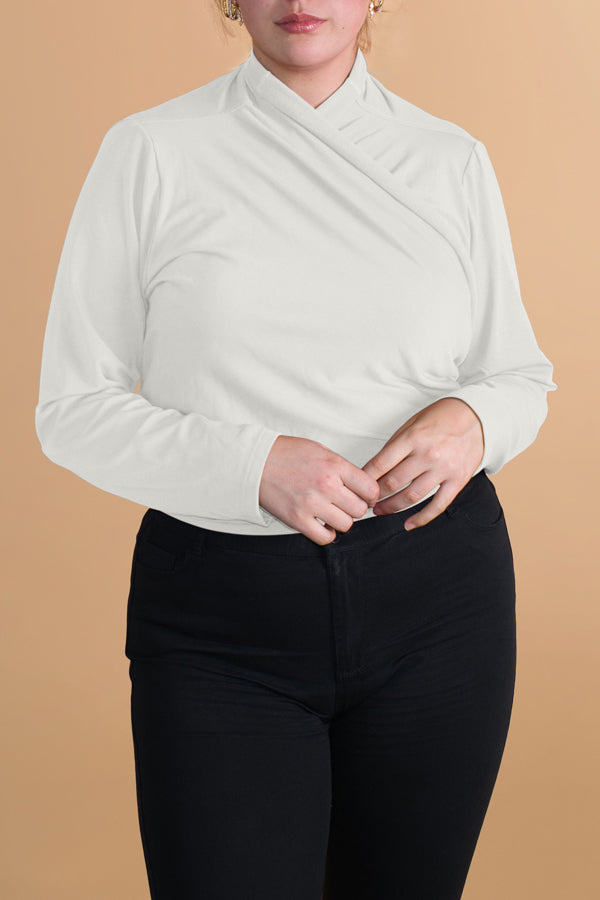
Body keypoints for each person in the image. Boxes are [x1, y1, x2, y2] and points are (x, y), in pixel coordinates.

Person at [34, 1, 557, 898]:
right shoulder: (152, 150)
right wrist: (252, 466)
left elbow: (517, 375)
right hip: (220, 619)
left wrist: (473, 420)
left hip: (440, 604)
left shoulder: (449, 159)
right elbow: (72, 409)